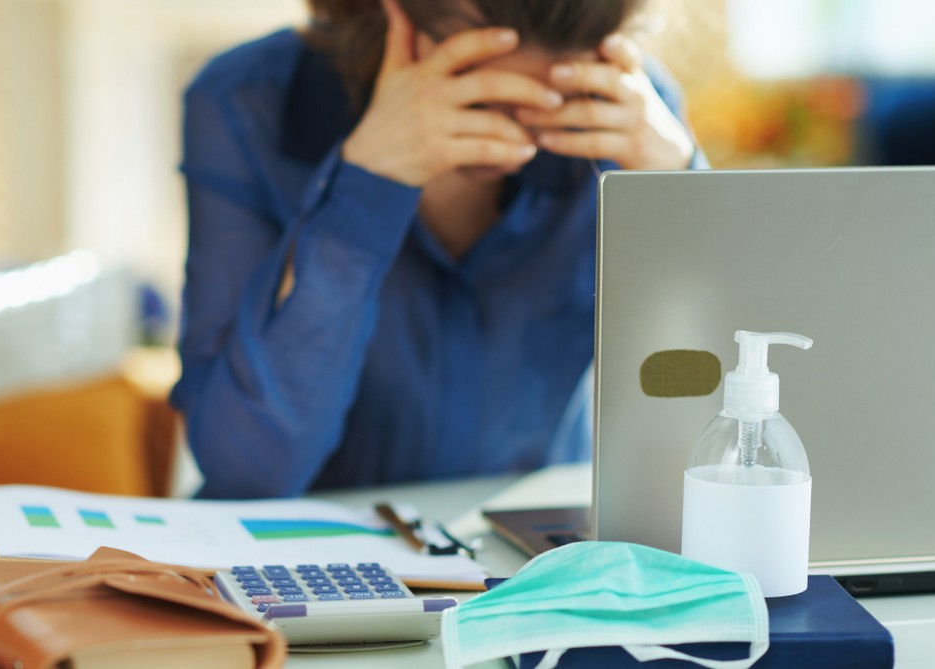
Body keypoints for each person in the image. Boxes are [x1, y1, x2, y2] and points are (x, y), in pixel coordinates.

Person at [172, 0, 707, 499]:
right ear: (394, 15)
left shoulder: (629, 114)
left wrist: (686, 197)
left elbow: (724, 415)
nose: (512, 132)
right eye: (481, 93)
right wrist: (364, 188)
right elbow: (249, 470)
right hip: (313, 569)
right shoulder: (247, 104)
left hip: (537, 570)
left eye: (549, 103)